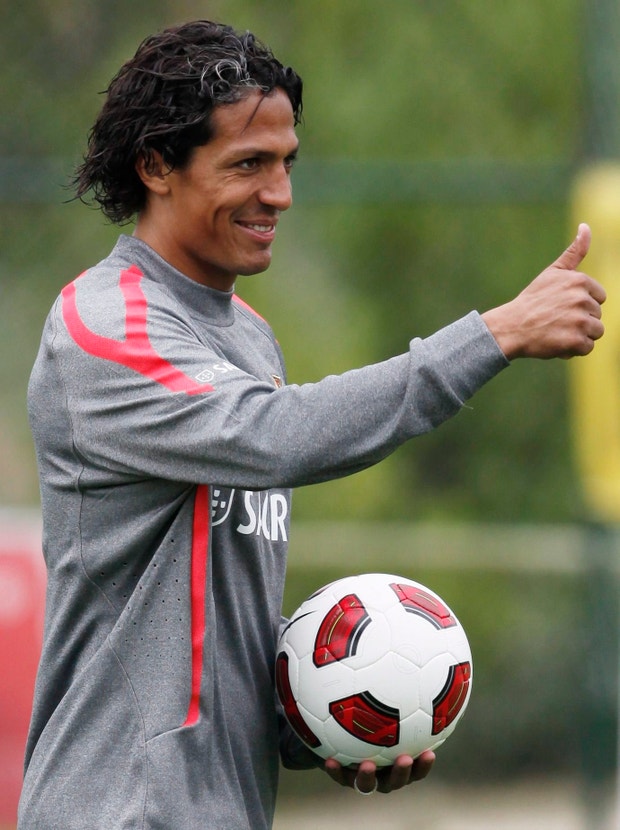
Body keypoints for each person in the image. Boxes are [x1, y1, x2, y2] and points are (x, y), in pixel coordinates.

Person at [20, 18, 605, 830]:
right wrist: (492, 336)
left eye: (286, 162)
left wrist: (326, 716)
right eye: (247, 164)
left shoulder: (248, 336)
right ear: (156, 165)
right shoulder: (104, 328)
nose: (279, 194)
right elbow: (277, 435)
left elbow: (208, 635)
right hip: (119, 811)